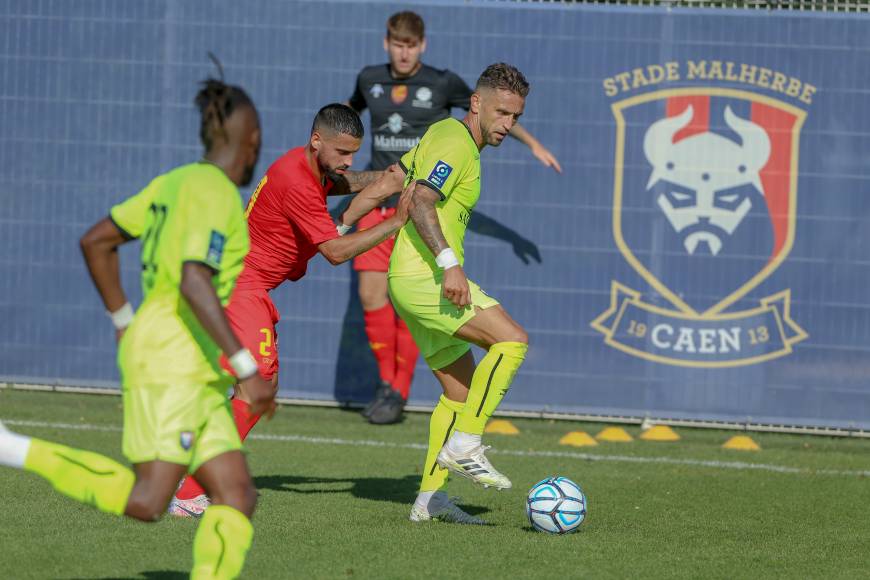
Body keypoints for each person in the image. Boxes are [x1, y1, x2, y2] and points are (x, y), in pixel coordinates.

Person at [0, 77, 273, 578]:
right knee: (149, 500)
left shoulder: (174, 182)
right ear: (251, 140)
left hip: (187, 364)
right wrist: (245, 366)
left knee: (235, 494)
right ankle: (13, 448)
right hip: (173, 363)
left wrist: (124, 321)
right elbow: (195, 280)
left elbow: (96, 241)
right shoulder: (216, 194)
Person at [169, 103, 410, 516]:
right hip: (238, 285)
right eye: (341, 152)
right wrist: (396, 221)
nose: (348, 161)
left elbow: (344, 181)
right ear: (316, 140)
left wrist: (386, 179)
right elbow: (335, 252)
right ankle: (189, 493)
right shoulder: (297, 180)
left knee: (254, 388)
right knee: (257, 385)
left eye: (354, 152)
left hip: (242, 283)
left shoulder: (309, 167)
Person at [345, 10, 561, 425]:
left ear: (422, 45)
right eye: (397, 44)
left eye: (411, 45)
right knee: (375, 298)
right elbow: (357, 130)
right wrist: (343, 197)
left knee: (418, 311)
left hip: (413, 202)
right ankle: (399, 392)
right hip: (391, 197)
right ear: (386, 43)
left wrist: (531, 142)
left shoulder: (444, 89)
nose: (404, 53)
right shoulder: (370, 80)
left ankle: (399, 394)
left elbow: (496, 112)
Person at [389, 63, 532, 524]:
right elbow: (424, 201)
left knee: (459, 391)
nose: (508, 126)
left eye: (515, 117)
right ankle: (467, 444)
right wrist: (451, 266)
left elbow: (397, 179)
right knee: (511, 341)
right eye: (502, 113)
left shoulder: (445, 136)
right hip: (425, 278)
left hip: (411, 280)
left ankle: (430, 501)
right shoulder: (456, 140)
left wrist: (343, 189)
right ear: (476, 103)